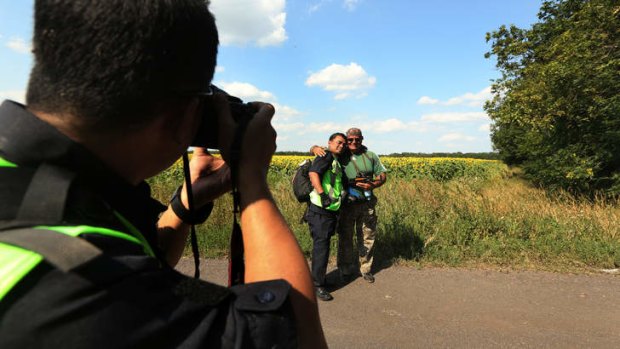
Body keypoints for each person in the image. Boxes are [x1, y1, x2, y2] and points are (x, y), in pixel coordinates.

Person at [0, 1, 326, 348]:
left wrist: (189, 199)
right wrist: (252, 180)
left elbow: (133, 259)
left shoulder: (40, 187)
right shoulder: (86, 291)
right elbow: (291, 334)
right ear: (183, 116)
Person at [310, 128, 387, 283]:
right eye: (350, 140)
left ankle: (365, 269)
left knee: (367, 236)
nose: (353, 142)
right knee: (345, 237)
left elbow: (382, 175)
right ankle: (345, 270)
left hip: (366, 202)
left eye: (356, 139)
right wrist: (313, 148)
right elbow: (321, 152)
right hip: (346, 203)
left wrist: (374, 184)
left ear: (362, 139)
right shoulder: (341, 154)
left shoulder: (370, 156)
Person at [306, 133, 347, 301]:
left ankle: (319, 279)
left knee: (323, 246)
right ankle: (316, 286)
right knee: (321, 248)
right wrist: (322, 195)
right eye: (338, 142)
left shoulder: (335, 158)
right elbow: (313, 173)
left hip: (329, 210)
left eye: (343, 144)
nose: (341, 146)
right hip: (320, 209)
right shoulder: (326, 155)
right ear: (329, 142)